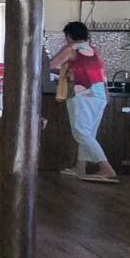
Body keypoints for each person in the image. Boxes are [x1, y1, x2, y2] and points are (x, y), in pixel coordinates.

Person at [50, 21, 118, 183]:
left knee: (81, 131)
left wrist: (65, 71)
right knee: (89, 133)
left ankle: (106, 168)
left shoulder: (71, 48)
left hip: (82, 95)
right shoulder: (93, 50)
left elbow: (51, 65)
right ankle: (80, 166)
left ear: (69, 35)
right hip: (100, 96)